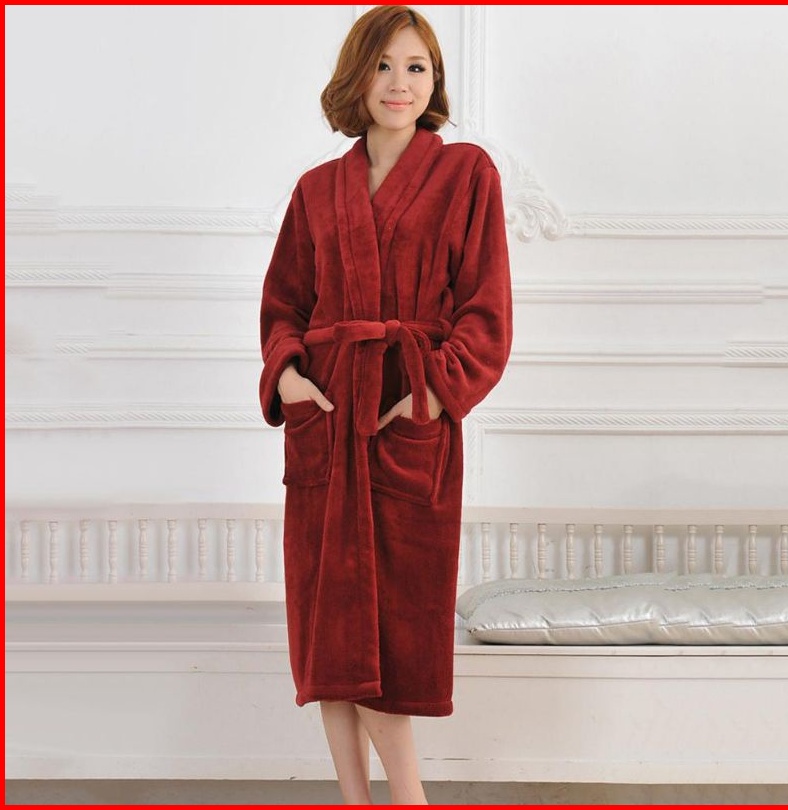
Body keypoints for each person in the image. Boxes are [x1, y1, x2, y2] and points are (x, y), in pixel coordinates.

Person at [259, 5, 512, 804]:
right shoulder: (316, 189)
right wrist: (289, 378)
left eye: (417, 67)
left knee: (390, 636)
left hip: (409, 419)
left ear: (435, 81)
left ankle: (408, 800)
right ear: (357, 76)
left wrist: (429, 396)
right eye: (383, 65)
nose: (399, 83)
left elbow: (486, 314)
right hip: (327, 416)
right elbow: (283, 305)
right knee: (329, 632)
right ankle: (354, 799)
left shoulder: (467, 174)